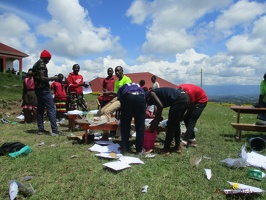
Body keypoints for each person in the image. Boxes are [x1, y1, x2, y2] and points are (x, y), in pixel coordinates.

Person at [146, 87, 190, 155]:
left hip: (179, 99)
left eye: (147, 103)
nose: (148, 105)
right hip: (185, 97)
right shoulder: (153, 96)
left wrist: (156, 122)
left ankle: (166, 149)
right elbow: (157, 108)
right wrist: (156, 119)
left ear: (148, 98)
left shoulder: (151, 93)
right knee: (176, 123)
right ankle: (177, 147)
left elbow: (160, 106)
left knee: (171, 125)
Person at [32, 50, 59, 136]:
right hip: (43, 89)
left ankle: (41, 129)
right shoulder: (42, 65)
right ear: (45, 57)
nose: (49, 61)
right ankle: (55, 130)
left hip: (37, 89)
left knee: (40, 109)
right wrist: (53, 78)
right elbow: (42, 78)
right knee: (51, 108)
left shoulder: (36, 64)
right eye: (49, 59)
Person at [117, 83, 146, 154]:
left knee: (125, 124)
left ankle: (125, 148)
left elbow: (120, 100)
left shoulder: (123, 87)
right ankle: (139, 149)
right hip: (140, 98)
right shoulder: (139, 87)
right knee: (140, 126)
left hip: (128, 96)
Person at [177, 84, 208, 149]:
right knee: (186, 119)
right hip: (194, 100)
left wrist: (183, 116)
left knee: (191, 121)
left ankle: (184, 142)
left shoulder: (190, 93)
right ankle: (192, 140)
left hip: (201, 101)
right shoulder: (178, 90)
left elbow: (190, 106)